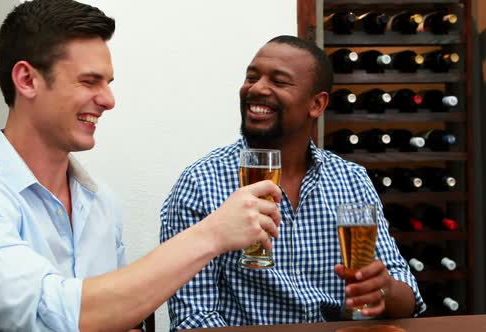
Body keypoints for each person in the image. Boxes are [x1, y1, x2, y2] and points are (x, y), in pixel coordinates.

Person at [0, 1, 282, 331]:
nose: (109, 100)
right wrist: (212, 234)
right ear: (26, 80)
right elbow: (50, 312)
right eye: (89, 81)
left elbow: (115, 313)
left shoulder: (101, 203)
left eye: (108, 83)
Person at [160, 35, 426, 330]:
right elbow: (194, 318)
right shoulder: (200, 183)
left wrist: (384, 290)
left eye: (279, 81)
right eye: (252, 76)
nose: (257, 88)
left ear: (316, 104)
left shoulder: (352, 180)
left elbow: (407, 295)